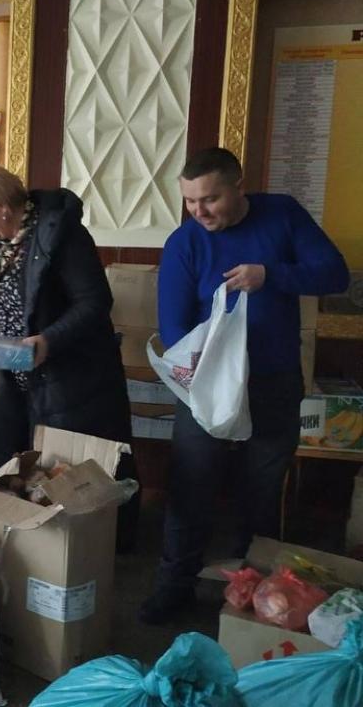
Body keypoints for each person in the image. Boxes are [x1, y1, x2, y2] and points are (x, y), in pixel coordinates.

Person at [139, 147, 350, 624]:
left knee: (260, 491)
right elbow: (173, 327)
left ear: (238, 187)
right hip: (208, 388)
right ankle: (173, 587)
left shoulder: (282, 214)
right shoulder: (185, 242)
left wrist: (271, 275)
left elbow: (334, 274)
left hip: (273, 381)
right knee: (191, 487)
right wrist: (199, 371)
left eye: (210, 199)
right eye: (190, 201)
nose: (199, 211)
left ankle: (255, 594)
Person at [0, 163, 138, 547]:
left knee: (65, 473)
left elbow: (95, 303)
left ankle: (79, 552)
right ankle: (11, 541)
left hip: (65, 376)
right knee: (0, 455)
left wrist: (48, 341)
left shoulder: (62, 235)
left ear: (2, 207)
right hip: (8, 372)